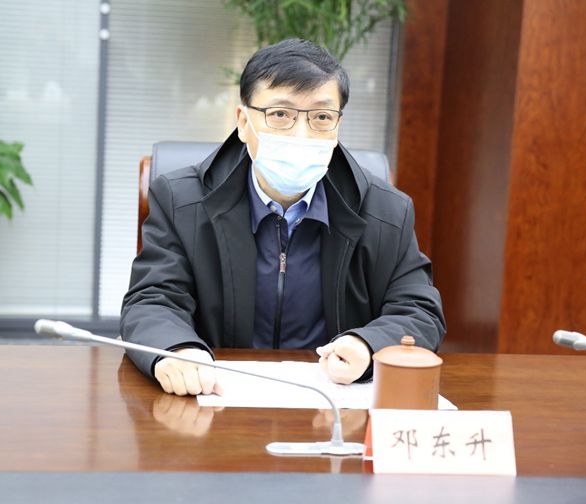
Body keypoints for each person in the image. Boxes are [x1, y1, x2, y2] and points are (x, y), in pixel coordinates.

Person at [121, 38, 446, 396]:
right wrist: (177, 349)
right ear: (243, 122)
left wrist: (367, 344)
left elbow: (418, 309)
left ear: (338, 124)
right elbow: (153, 299)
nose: (300, 134)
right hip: (215, 398)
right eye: (280, 115)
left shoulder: (386, 211)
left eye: (321, 117)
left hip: (332, 405)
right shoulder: (182, 200)